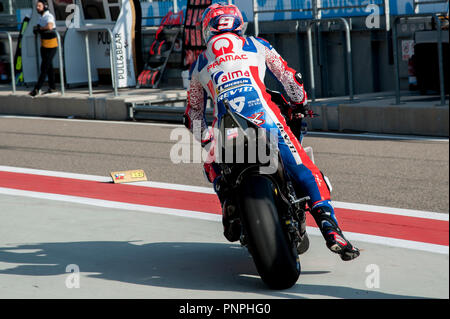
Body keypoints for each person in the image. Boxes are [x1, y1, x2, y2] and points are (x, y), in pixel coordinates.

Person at [183, 3, 360, 261]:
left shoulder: (199, 64)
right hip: (264, 118)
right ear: (238, 25)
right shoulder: (257, 45)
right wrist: (300, 102)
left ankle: (227, 205)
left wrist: (206, 139)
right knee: (303, 167)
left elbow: (193, 114)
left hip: (227, 128)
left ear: (207, 29)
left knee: (211, 162)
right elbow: (291, 80)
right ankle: (330, 228)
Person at [29, 0, 58, 97]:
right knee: (49, 67)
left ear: (45, 6)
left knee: (44, 67)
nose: (37, 7)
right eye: (37, 6)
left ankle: (37, 89)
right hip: (44, 45)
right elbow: (38, 27)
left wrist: (40, 29)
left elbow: (49, 26)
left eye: (39, 6)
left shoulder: (48, 16)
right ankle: (52, 87)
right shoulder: (40, 17)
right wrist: (36, 29)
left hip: (51, 46)